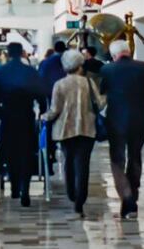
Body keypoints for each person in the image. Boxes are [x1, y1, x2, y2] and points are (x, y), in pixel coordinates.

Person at [100, 39, 144, 219]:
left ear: (113, 54)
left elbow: (102, 93)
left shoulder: (107, 69)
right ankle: (134, 193)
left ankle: (127, 198)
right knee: (135, 156)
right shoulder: (143, 67)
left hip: (117, 121)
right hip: (140, 120)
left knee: (117, 159)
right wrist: (140, 107)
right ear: (128, 51)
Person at [43, 50, 104, 216]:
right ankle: (80, 200)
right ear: (80, 65)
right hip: (87, 129)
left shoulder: (60, 84)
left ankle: (71, 193)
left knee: (68, 161)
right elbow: (99, 104)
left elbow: (55, 110)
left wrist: (43, 117)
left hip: (65, 129)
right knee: (83, 164)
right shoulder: (89, 83)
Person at [0, 42, 48, 206]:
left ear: (7, 53)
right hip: (26, 117)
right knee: (26, 152)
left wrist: (2, 115)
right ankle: (25, 190)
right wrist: (40, 114)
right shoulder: (30, 72)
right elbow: (42, 97)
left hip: (8, 117)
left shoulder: (0, 72)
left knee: (10, 152)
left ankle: (14, 188)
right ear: (22, 53)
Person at [38, 40, 68, 170]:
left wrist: (41, 103)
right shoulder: (68, 61)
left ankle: (50, 154)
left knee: (49, 125)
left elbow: (41, 80)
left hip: (50, 98)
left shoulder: (45, 63)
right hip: (67, 99)